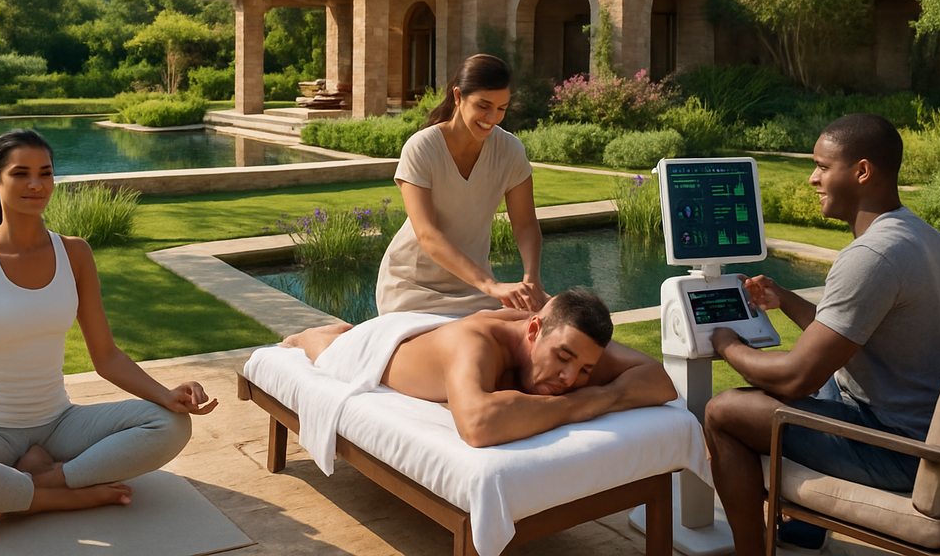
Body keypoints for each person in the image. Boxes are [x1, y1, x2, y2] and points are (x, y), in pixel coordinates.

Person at [0, 129, 218, 534]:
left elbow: (106, 355)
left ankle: (32, 486)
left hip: (60, 423)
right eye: (21, 173)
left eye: (45, 173)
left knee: (171, 425)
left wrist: (165, 394)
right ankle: (67, 495)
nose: (36, 184)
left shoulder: (75, 253)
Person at [703, 113, 940, 553]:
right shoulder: (920, 235)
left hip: (902, 451)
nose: (812, 178)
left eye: (823, 167)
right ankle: (806, 528)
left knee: (725, 411)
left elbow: (794, 378)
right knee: (822, 369)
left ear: (862, 171)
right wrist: (784, 298)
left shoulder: (872, 255)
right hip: (925, 430)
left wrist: (727, 344)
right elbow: (849, 336)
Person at [285, 289, 677, 447]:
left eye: (585, 370)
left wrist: (602, 393)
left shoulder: (572, 342)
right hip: (377, 347)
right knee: (327, 349)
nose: (570, 379)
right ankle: (321, 332)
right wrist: (583, 404)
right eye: (563, 359)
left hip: (437, 334)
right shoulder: (475, 343)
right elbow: (477, 425)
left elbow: (661, 383)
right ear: (534, 330)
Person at [377, 53, 546, 316]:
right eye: (483, 106)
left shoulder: (510, 150)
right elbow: (427, 234)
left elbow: (524, 223)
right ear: (458, 97)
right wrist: (491, 285)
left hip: (475, 290)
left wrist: (531, 278)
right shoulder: (422, 148)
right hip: (412, 289)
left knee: (548, 327)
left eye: (502, 108)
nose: (492, 117)